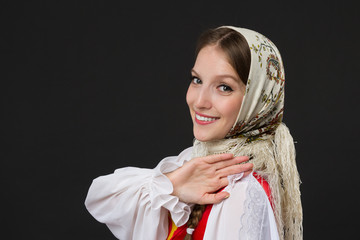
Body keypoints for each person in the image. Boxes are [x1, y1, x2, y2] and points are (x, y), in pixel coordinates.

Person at [85, 26, 303, 240]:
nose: (199, 102)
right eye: (197, 80)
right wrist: (172, 185)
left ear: (257, 101)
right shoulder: (196, 164)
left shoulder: (240, 190)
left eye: (224, 87)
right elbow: (101, 198)